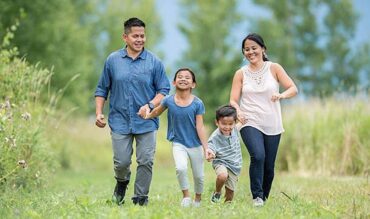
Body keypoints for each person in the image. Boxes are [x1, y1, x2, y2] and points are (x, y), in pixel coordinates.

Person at [94, 17, 170, 206]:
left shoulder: (154, 62)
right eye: (135, 36)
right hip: (119, 120)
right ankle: (121, 183)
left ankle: (140, 198)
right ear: (125, 37)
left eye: (142, 36)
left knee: (146, 160)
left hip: (146, 121)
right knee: (121, 163)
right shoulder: (113, 60)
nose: (139, 39)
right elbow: (102, 89)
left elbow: (164, 90)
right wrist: (98, 113)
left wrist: (150, 105)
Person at [230, 33, 298, 207]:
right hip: (249, 120)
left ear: (262, 49)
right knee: (258, 155)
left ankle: (264, 198)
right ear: (243, 52)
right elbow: (233, 100)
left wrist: (281, 95)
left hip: (272, 122)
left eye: (254, 48)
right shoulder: (240, 73)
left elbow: (293, 88)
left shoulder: (274, 68)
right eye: (247, 49)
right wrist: (237, 111)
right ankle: (257, 197)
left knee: (269, 166)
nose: (250, 52)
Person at [144, 68, 213, 207]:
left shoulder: (197, 103)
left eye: (187, 77)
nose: (183, 79)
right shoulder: (168, 100)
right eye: (180, 77)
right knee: (181, 168)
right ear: (174, 82)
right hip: (178, 142)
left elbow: (200, 127)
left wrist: (206, 148)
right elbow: (157, 111)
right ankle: (186, 197)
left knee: (199, 175)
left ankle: (197, 199)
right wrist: (147, 115)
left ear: (193, 84)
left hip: (195, 144)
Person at [207, 105, 242, 203]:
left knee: (230, 194)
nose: (227, 127)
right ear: (217, 122)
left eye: (230, 124)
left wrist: (242, 118)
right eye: (223, 124)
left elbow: (242, 122)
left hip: (234, 165)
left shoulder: (235, 129)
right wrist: (210, 154)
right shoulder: (215, 137)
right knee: (223, 175)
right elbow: (210, 147)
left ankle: (226, 208)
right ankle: (217, 192)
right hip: (221, 162)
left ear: (235, 123)